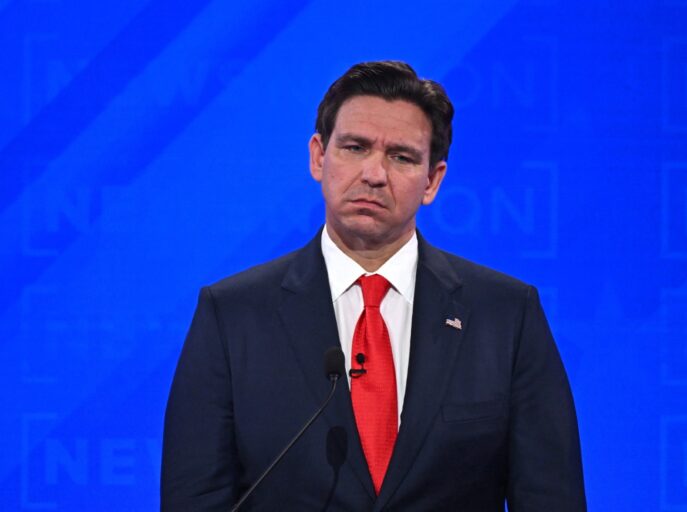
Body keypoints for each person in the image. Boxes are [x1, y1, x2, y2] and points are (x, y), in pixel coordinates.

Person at [161, 60, 586, 511]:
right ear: (318, 157)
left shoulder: (506, 316)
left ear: (432, 180)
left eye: (401, 157)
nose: (374, 174)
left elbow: (550, 499)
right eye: (355, 148)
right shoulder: (232, 315)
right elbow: (195, 500)